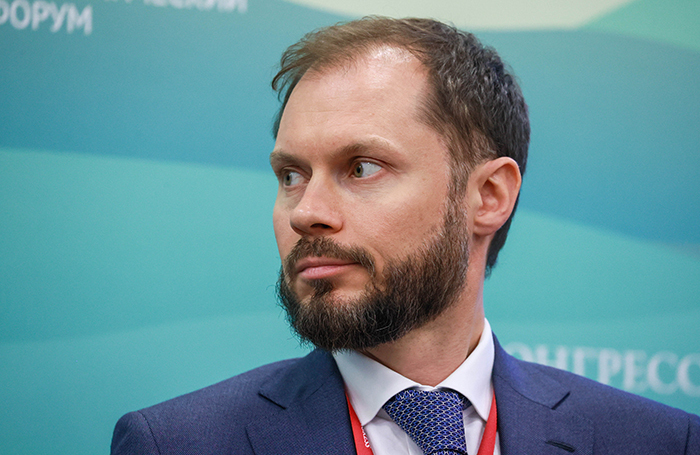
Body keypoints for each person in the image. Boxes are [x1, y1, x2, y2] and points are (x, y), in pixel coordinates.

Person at [111, 17, 700, 455]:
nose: (305, 213)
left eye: (362, 167)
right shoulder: (177, 443)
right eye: (291, 175)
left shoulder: (659, 443)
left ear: (488, 196)